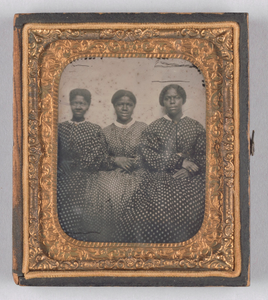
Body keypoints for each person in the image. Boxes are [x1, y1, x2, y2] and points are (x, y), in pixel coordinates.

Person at [114, 84, 206, 243]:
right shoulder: (154, 127)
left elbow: (205, 153)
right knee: (154, 202)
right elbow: (148, 155)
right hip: (161, 174)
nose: (172, 102)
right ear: (162, 102)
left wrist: (190, 170)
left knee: (197, 201)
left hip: (192, 176)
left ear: (182, 100)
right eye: (168, 98)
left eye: (176, 98)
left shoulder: (196, 126)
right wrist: (179, 161)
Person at [80, 90, 147, 242]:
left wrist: (131, 162)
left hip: (136, 172)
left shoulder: (143, 128)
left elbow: (148, 154)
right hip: (111, 173)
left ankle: (129, 238)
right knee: (104, 187)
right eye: (120, 104)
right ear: (114, 106)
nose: (124, 108)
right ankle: (107, 238)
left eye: (128, 105)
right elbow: (98, 158)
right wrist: (115, 160)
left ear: (134, 106)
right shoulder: (104, 132)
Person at [57, 88, 106, 239]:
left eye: (82, 103)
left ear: (88, 106)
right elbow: (53, 151)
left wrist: (74, 165)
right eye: (75, 103)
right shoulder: (60, 128)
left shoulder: (94, 129)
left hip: (86, 176)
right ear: (70, 104)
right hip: (62, 173)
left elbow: (97, 155)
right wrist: (60, 163)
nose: (78, 106)